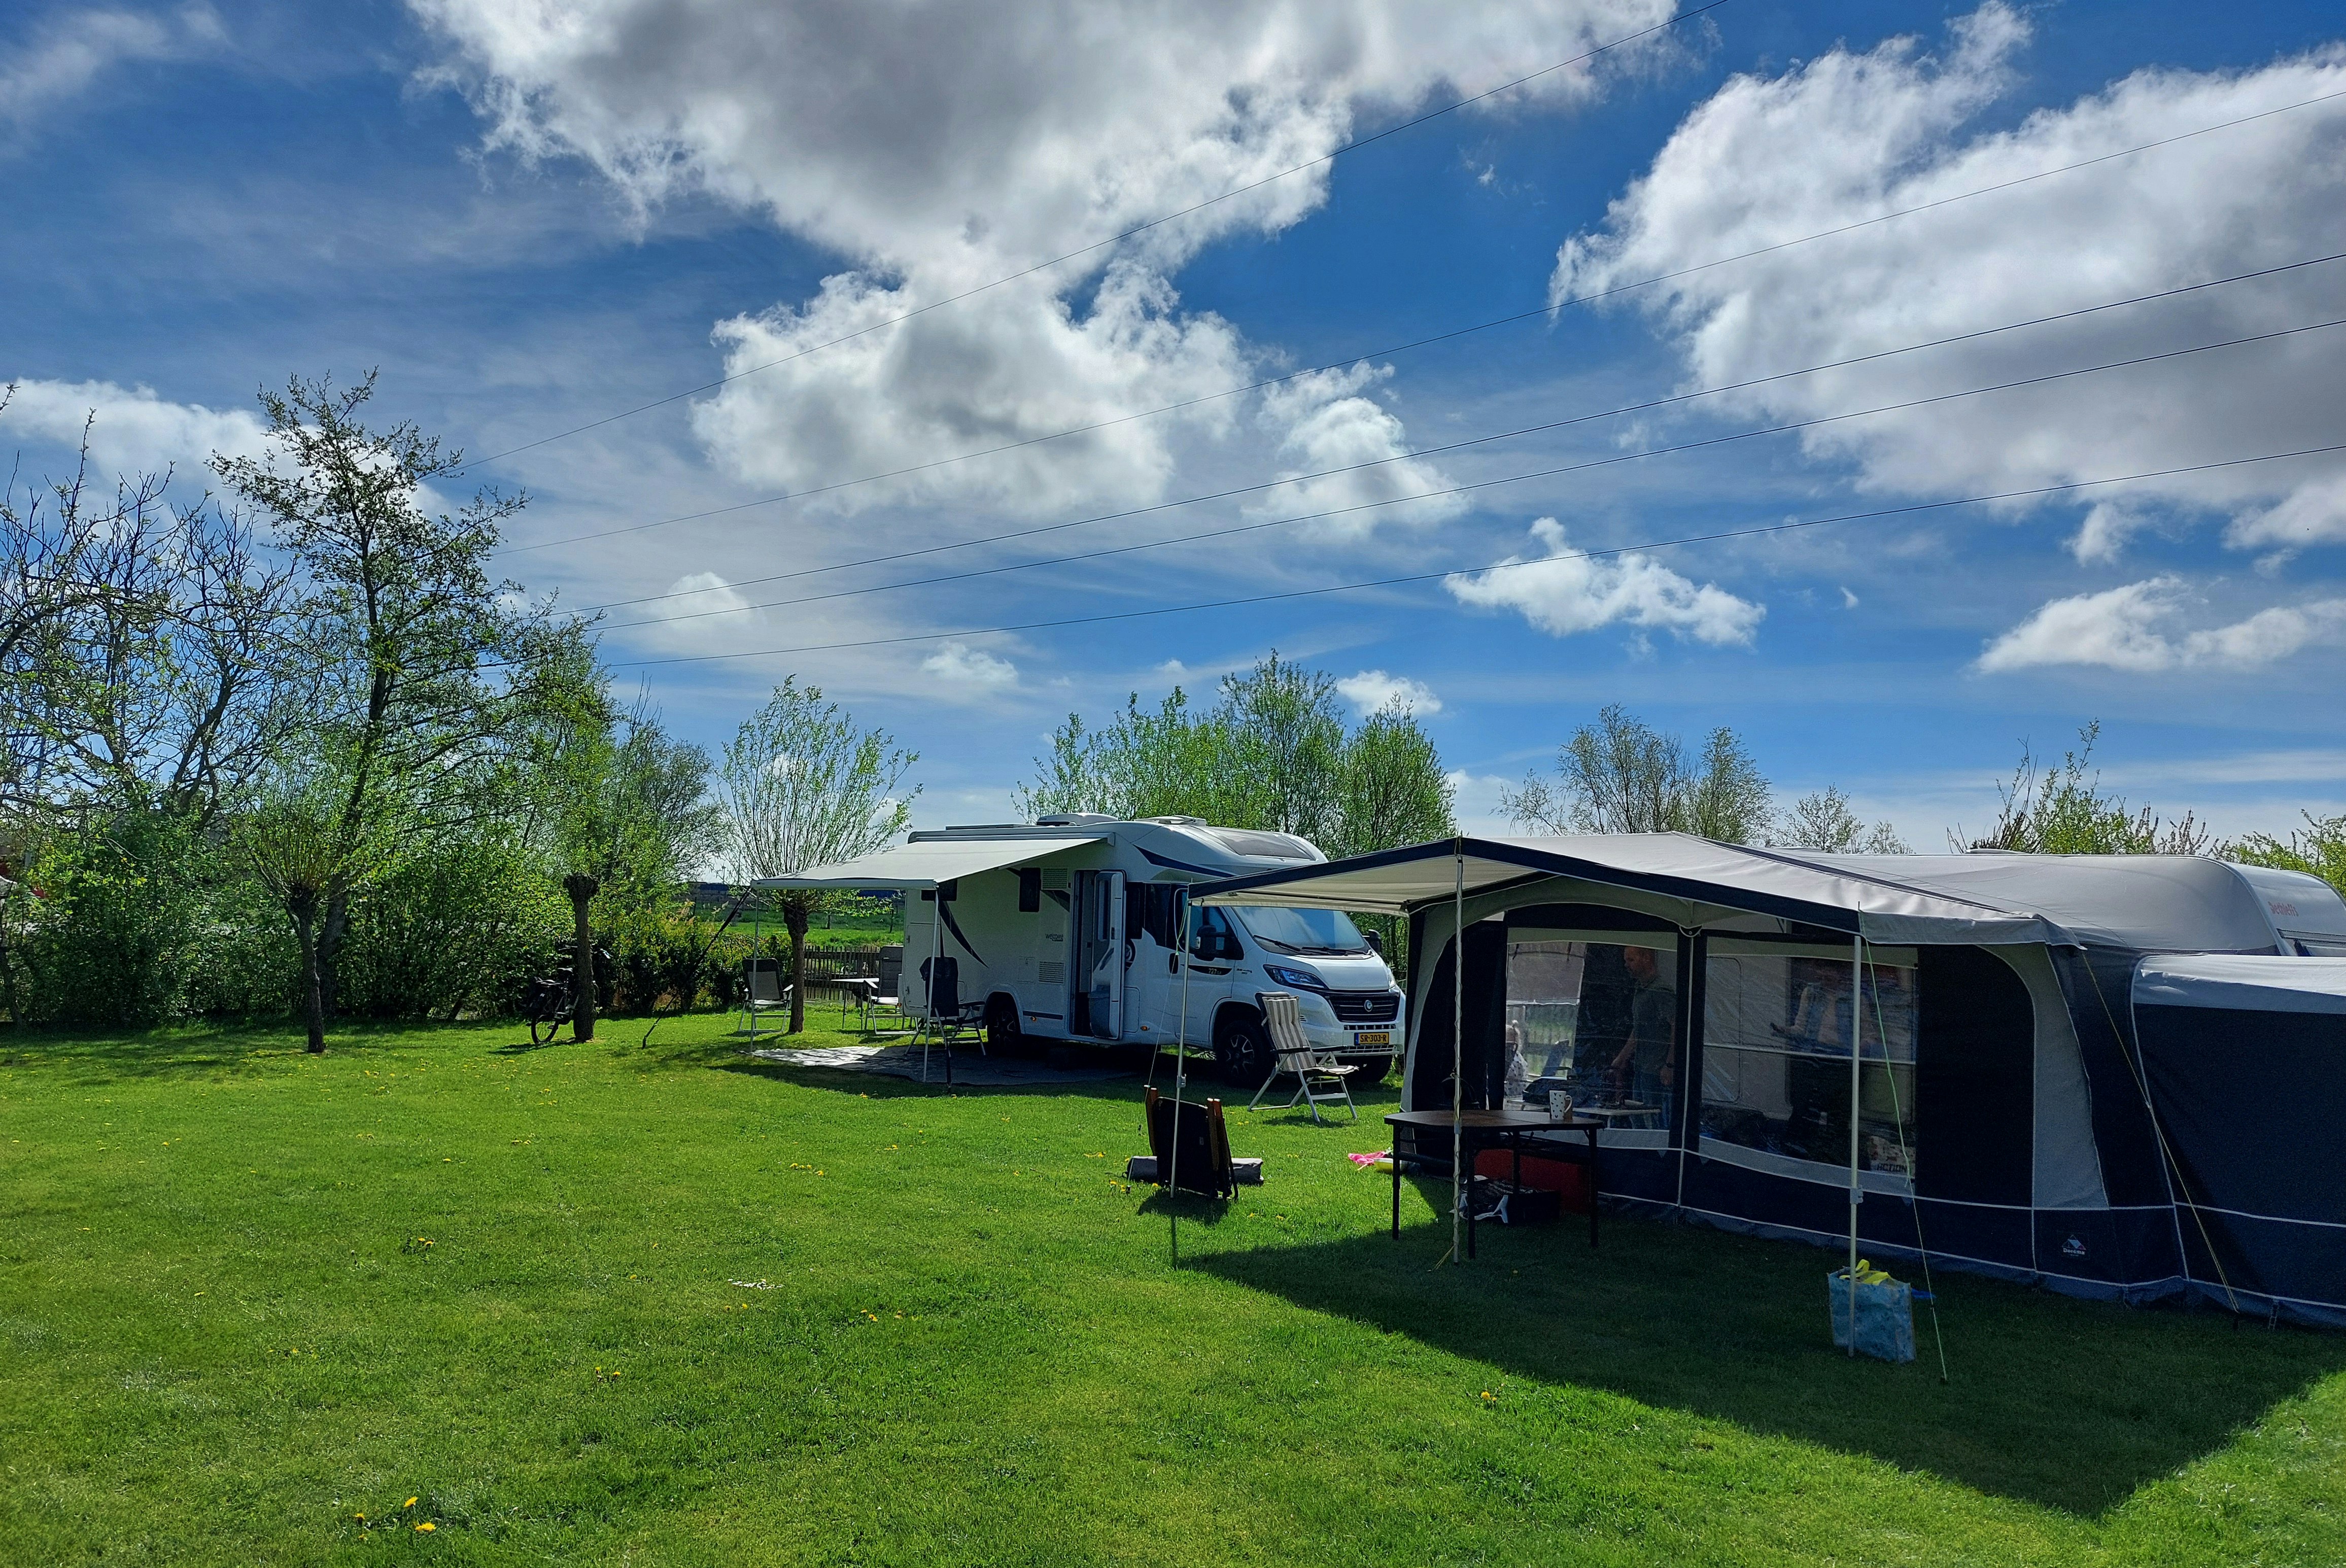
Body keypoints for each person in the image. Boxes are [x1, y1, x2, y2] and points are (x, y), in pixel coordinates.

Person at [1610, 945, 1677, 1123]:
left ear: (1647, 958)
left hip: (1657, 1071)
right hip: (1642, 1067)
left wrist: (1670, 1066)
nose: (1627, 965)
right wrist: (1622, 1057)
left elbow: (1677, 1027)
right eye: (1625, 960)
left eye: (1631, 960)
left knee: (1655, 1119)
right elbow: (1638, 1029)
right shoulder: (1640, 989)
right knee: (1636, 1118)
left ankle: (1659, 1151)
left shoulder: (1660, 991)